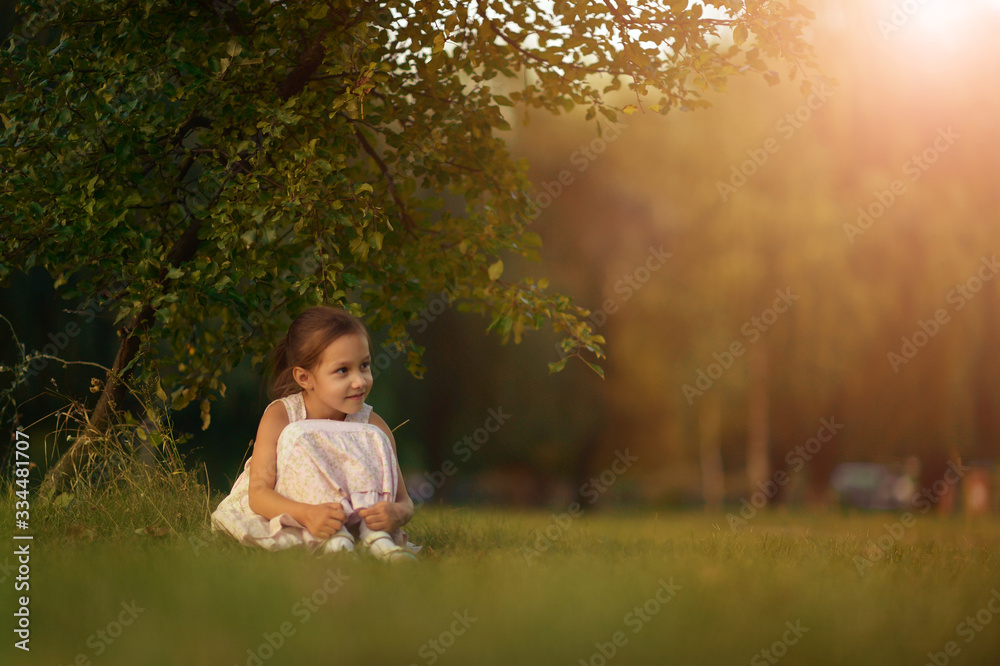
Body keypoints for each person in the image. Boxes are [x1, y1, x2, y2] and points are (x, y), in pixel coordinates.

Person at [211, 305, 419, 562]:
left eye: (364, 365)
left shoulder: (373, 428)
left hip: (353, 518)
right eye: (343, 370)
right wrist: (307, 514)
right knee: (299, 436)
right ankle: (333, 541)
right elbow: (259, 494)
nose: (360, 381)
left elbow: (404, 501)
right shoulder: (281, 416)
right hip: (292, 509)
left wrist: (395, 514)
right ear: (305, 377)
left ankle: (373, 537)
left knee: (372, 441)